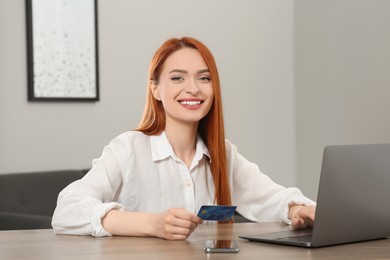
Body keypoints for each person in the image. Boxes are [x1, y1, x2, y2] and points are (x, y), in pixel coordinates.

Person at [52, 36, 316, 240]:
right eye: (178, 78)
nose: (193, 88)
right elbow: (66, 211)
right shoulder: (129, 149)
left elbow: (271, 199)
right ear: (155, 89)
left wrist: (296, 210)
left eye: (204, 78)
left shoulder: (222, 153)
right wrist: (152, 224)